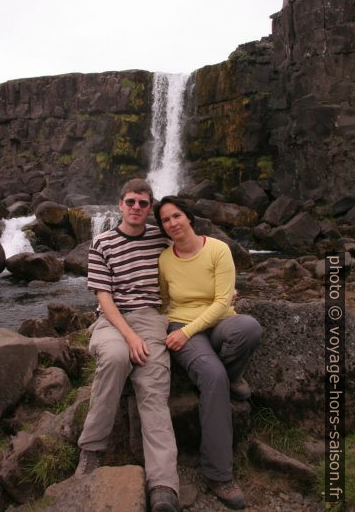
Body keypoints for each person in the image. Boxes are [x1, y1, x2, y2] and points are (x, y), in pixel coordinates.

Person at [76, 179, 180, 512]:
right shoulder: (102, 242)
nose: (137, 208)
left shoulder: (161, 238)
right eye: (131, 202)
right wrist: (129, 335)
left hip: (151, 319)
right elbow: (103, 298)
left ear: (151, 209)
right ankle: (91, 451)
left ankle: (164, 484)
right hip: (111, 319)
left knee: (153, 386)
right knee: (117, 358)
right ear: (120, 204)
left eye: (144, 203)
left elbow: (193, 250)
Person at [154, 196, 262, 511]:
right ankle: (219, 474)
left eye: (176, 216)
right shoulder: (164, 259)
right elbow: (162, 300)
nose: (172, 223)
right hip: (182, 326)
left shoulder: (217, 249)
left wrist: (186, 331)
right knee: (212, 376)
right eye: (165, 220)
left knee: (249, 327)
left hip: (216, 322)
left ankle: (232, 377)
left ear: (188, 218)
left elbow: (221, 301)